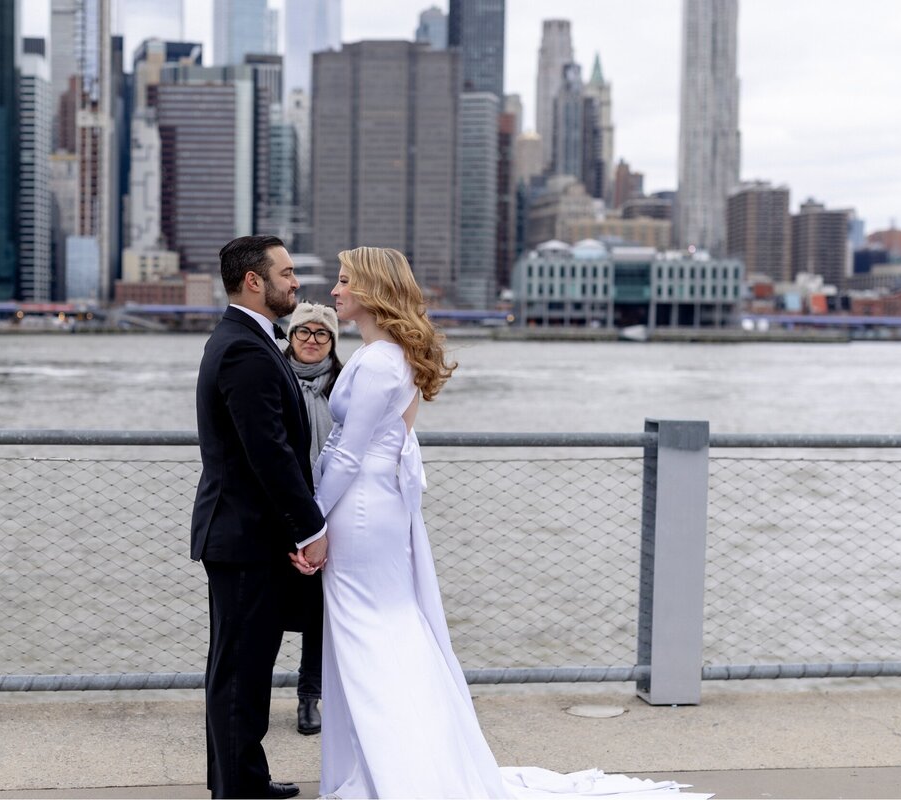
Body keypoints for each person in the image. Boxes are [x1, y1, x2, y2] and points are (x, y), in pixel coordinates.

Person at [291, 247, 698, 799]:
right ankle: (390, 765)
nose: (334, 292)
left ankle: (397, 774)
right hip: (378, 509)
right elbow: (386, 445)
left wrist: (310, 523)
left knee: (369, 640)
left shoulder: (376, 362)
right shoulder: (391, 358)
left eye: (343, 282)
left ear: (371, 291)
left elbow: (346, 455)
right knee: (386, 631)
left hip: (360, 511)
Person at [191, 235, 326, 800]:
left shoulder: (245, 340)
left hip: (246, 535)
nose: (296, 282)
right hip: (245, 538)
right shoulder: (246, 349)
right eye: (288, 272)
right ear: (255, 280)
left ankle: (243, 780)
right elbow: (266, 450)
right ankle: (238, 791)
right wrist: (312, 529)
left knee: (243, 671)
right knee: (239, 674)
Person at [282, 302, 343, 736]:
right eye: (304, 331)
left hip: (330, 509)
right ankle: (250, 699)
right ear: (290, 335)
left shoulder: (343, 386)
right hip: (284, 507)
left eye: (322, 334)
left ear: (333, 343)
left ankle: (309, 697)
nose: (311, 341)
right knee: (268, 608)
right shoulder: (274, 376)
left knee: (320, 612)